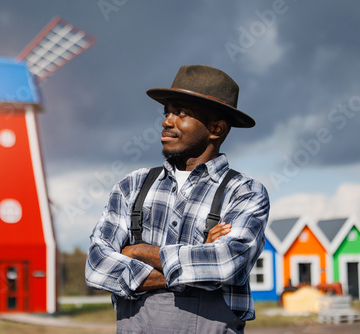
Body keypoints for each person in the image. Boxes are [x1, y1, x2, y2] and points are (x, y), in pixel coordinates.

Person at [85, 65, 270, 333]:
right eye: (167, 112)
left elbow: (224, 263)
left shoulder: (245, 192)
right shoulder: (132, 186)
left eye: (181, 113)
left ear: (216, 128)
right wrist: (197, 257)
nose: (166, 121)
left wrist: (137, 251)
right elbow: (96, 266)